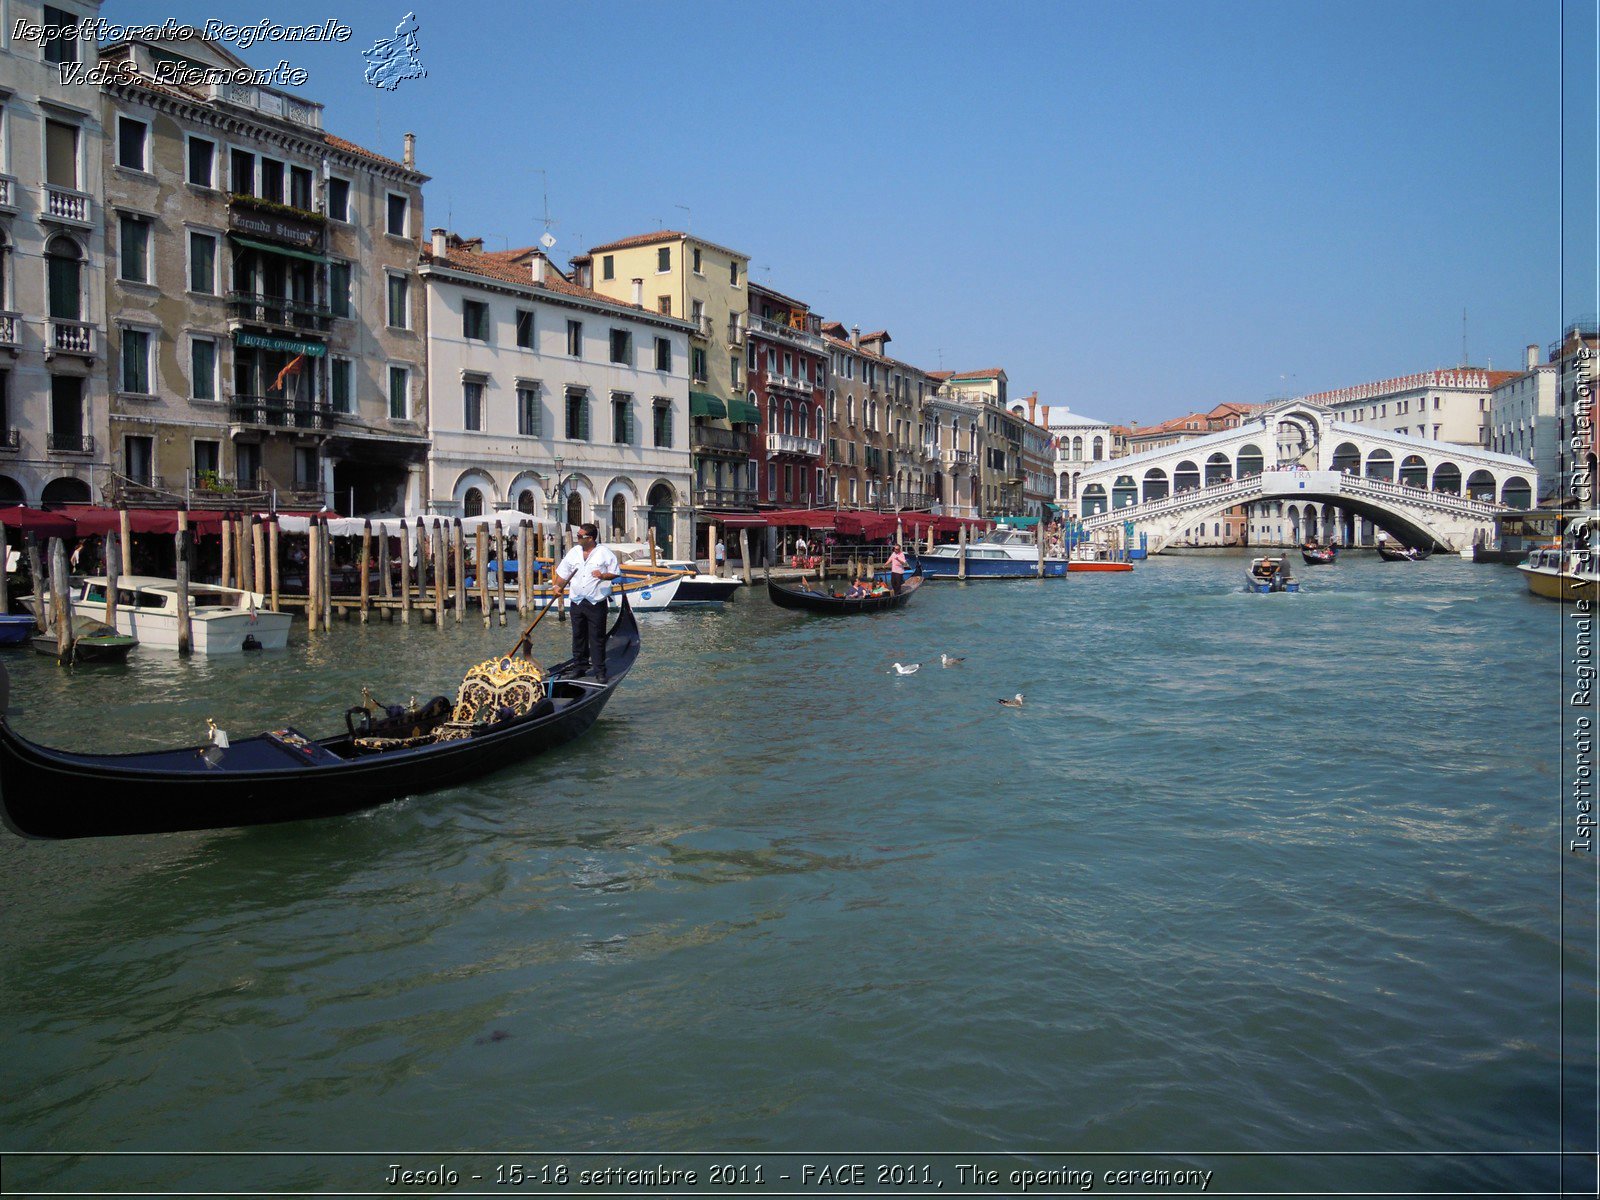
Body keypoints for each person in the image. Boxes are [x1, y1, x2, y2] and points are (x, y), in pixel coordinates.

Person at [551, 522, 621, 683]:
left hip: (595, 602)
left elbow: (615, 572)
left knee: (596, 637)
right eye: (577, 536)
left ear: (590, 538)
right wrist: (556, 586)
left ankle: (599, 671)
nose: (577, 539)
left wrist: (603, 576)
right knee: (578, 636)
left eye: (580, 536)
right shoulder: (574, 552)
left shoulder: (604, 553)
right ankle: (579, 668)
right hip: (576, 601)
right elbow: (563, 572)